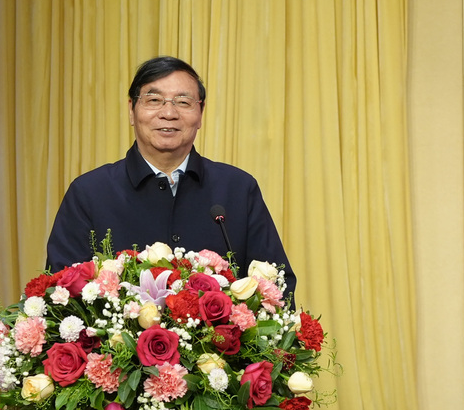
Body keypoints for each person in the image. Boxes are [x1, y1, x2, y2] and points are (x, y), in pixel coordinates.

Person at [46, 56, 296, 301]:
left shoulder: (238, 189)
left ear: (200, 113)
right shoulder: (90, 193)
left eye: (183, 102)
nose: (168, 113)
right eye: (154, 100)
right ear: (132, 110)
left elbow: (277, 287)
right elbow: (60, 291)